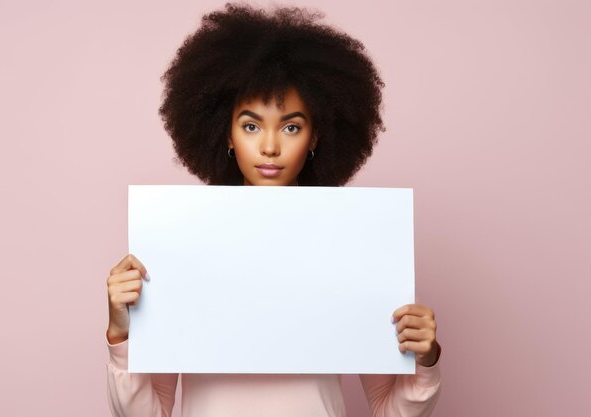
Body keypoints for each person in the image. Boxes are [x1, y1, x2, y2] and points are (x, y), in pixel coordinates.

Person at [105, 3, 442, 416]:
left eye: (291, 126)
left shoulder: (353, 243)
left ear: (315, 136)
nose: (269, 146)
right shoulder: (179, 241)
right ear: (225, 134)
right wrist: (122, 335)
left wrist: (425, 362)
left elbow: (387, 408)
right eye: (250, 125)